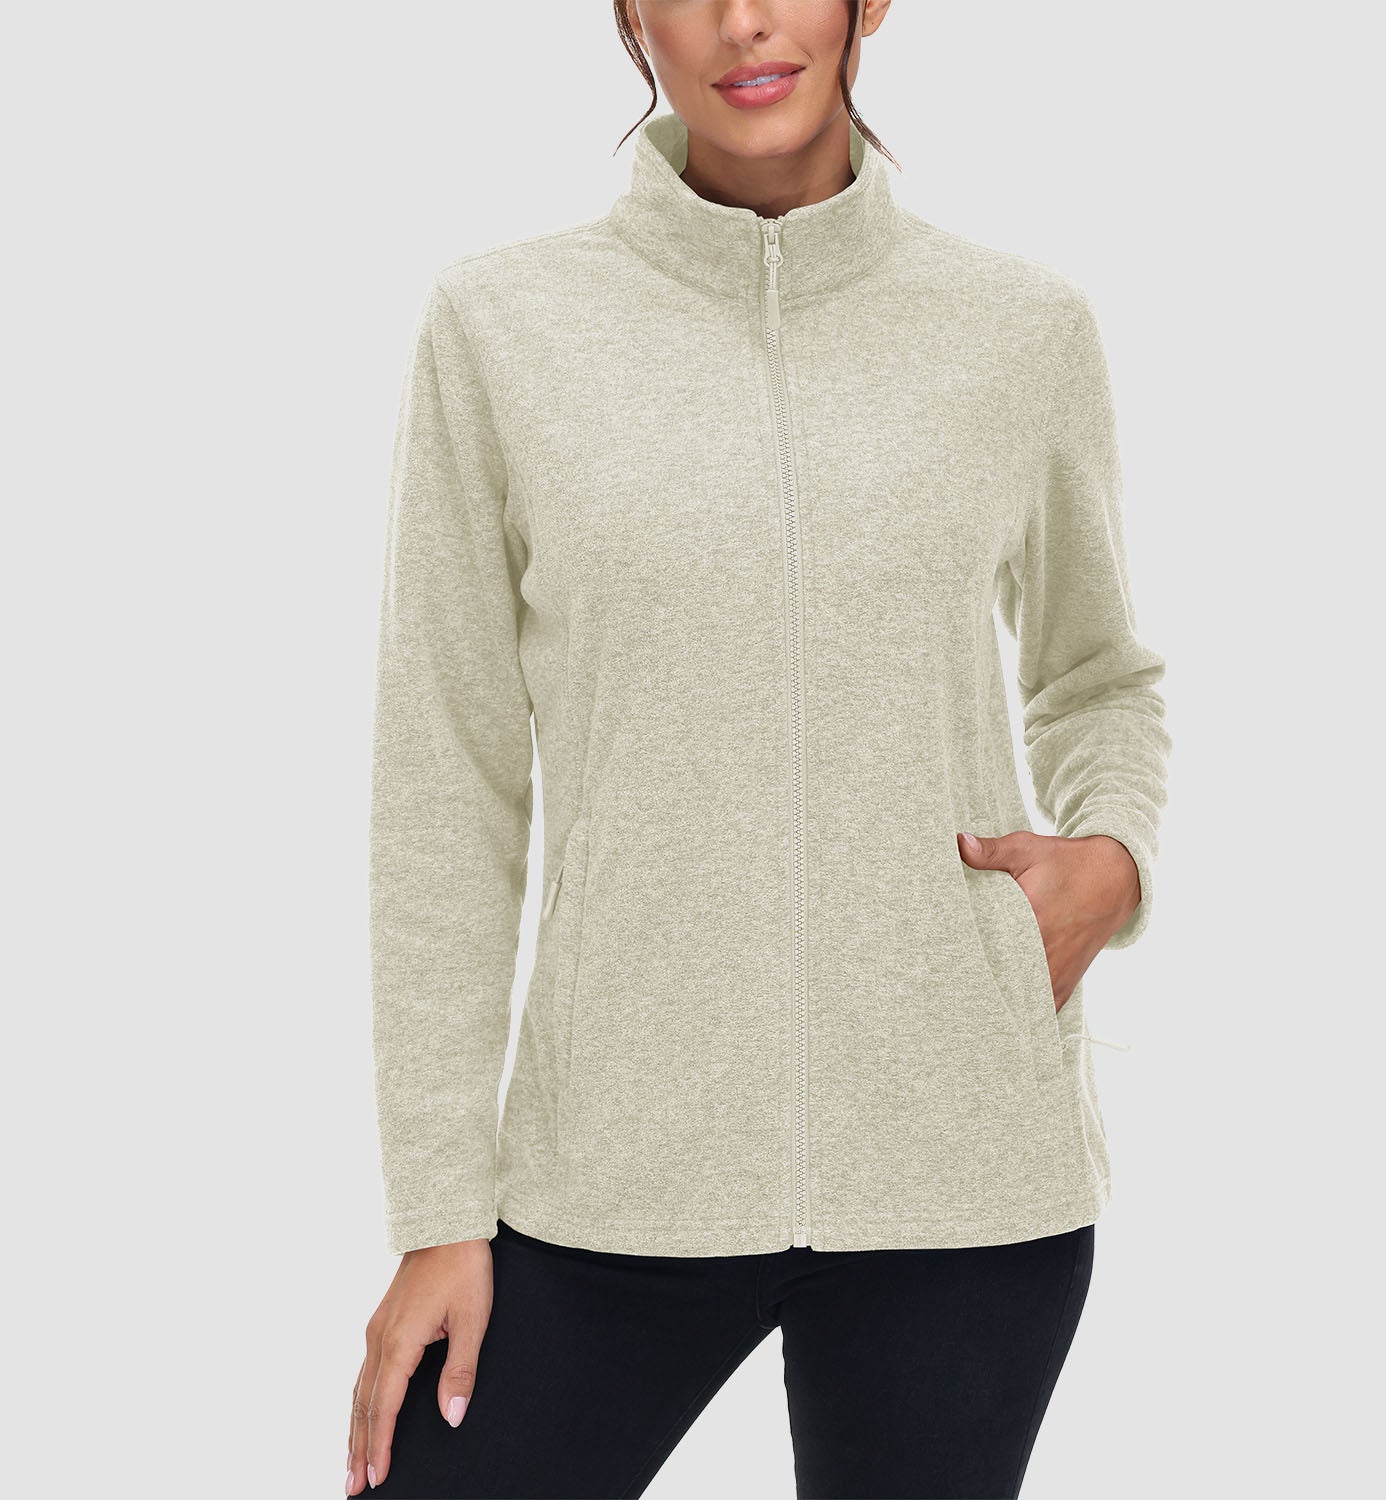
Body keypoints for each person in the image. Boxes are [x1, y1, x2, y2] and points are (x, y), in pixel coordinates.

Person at [348, 1, 1172, 1495]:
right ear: (628, 13)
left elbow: (1097, 676)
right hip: (607, 1184)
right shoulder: (502, 327)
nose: (745, 21)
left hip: (962, 1184)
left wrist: (1110, 862)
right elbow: (445, 781)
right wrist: (439, 1209)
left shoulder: (1019, 329)